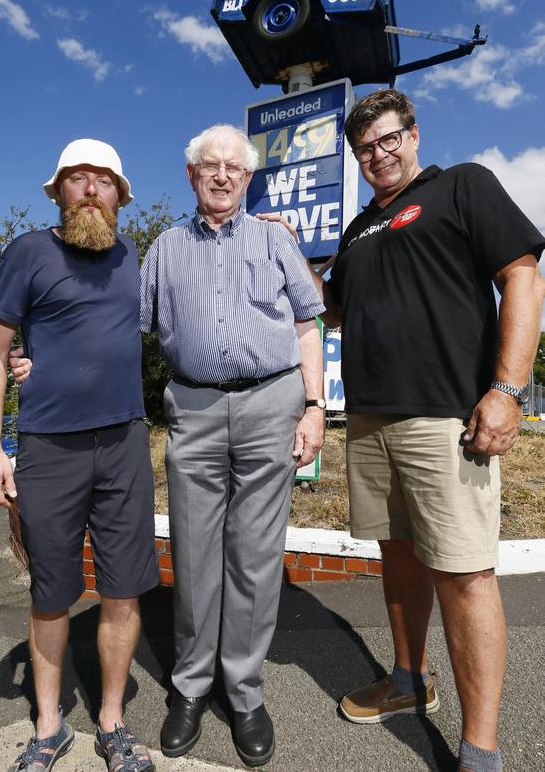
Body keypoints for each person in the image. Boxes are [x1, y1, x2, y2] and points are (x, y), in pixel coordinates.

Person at [275, 88, 545, 772]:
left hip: (443, 414)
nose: (378, 154)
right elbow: (330, 312)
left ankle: (480, 748)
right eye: (365, 147)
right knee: (397, 555)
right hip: (370, 420)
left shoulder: (462, 187)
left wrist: (507, 390)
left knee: (464, 574)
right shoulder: (358, 228)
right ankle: (406, 681)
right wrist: (288, 253)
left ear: (414, 134)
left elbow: (522, 275)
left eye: (389, 138)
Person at [140, 124, 326, 767]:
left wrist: (314, 406)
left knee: (254, 555)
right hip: (191, 404)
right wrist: (40, 357)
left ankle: (244, 692)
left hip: (270, 403)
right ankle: (190, 688)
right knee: (192, 553)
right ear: (192, 176)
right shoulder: (162, 248)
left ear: (248, 179)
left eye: (234, 168)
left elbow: (309, 322)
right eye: (209, 166)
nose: (221, 176)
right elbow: (126, 328)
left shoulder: (276, 239)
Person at [0, 139, 159, 772]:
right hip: (48, 447)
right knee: (51, 593)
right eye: (77, 179)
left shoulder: (138, 257)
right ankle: (48, 726)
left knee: (123, 591)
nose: (89, 189)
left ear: (120, 196)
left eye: (103, 180)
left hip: (125, 443)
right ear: (57, 191)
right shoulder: (29, 251)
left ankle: (112, 721)